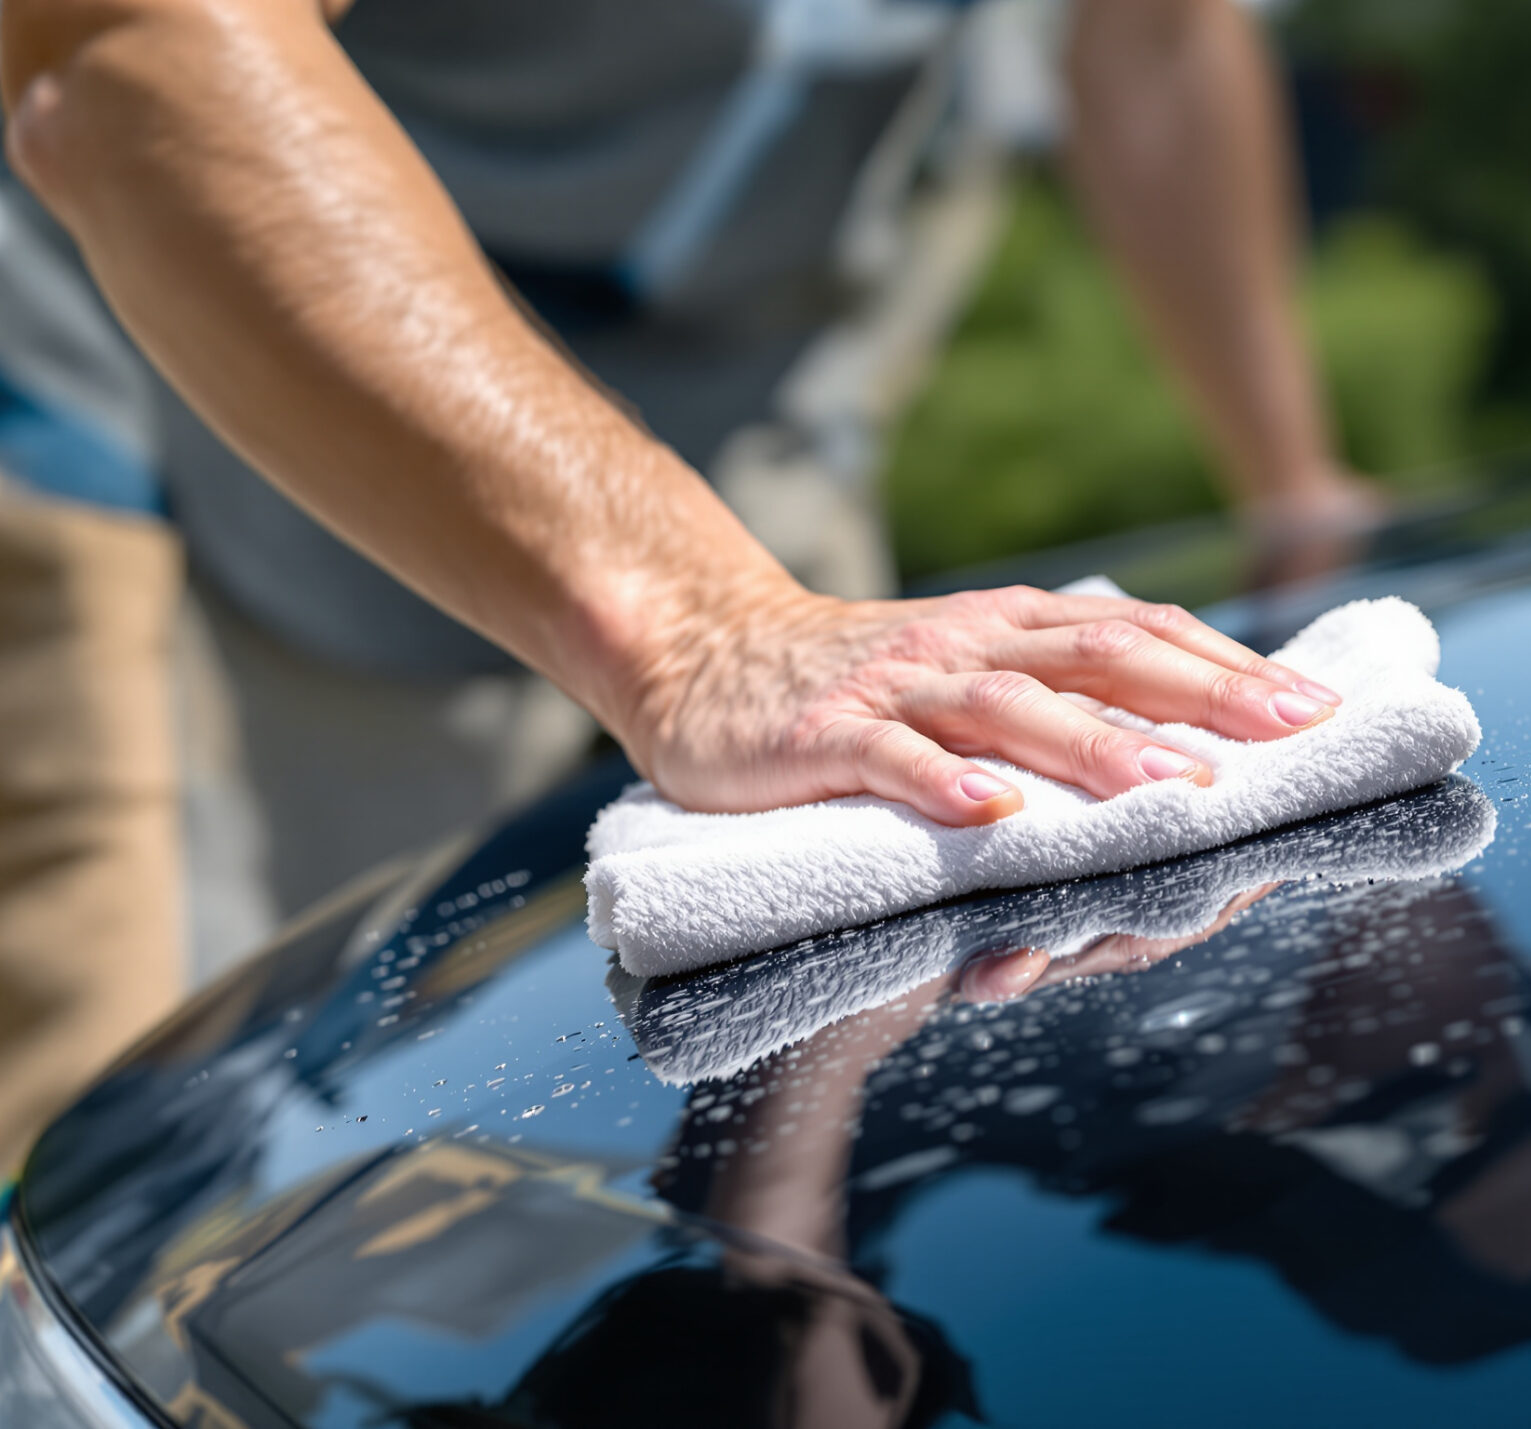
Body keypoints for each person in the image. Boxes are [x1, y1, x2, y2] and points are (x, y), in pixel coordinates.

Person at [0, 0, 1378, 1168]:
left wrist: (1293, 485)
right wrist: (696, 624)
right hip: (159, 364)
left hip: (728, 412)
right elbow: (132, 43)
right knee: (145, 1136)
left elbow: (1157, 43)